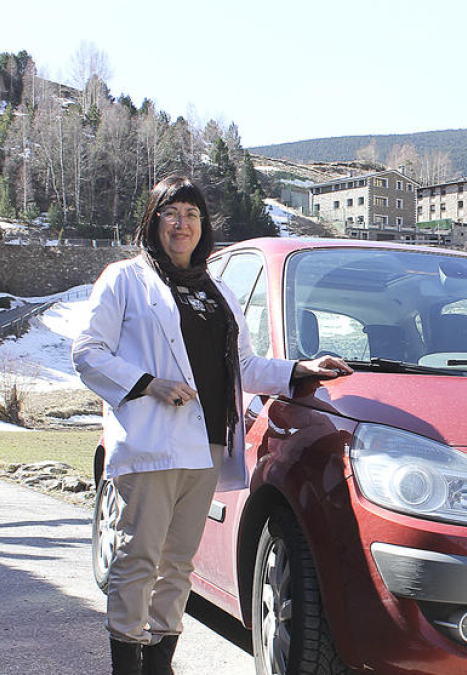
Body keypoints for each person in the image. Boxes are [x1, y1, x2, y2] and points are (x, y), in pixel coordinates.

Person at [72, 175, 350, 675]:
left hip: (204, 447)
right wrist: (147, 383)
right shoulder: (125, 280)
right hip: (151, 443)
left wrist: (298, 370)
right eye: (172, 213)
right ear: (153, 221)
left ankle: (159, 659)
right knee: (138, 558)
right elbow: (87, 352)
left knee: (178, 564)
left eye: (192, 215)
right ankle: (126, 663)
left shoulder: (217, 290)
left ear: (203, 227)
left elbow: (243, 364)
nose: (183, 224)